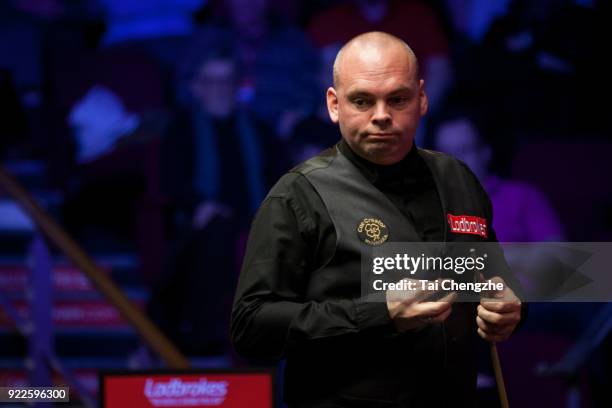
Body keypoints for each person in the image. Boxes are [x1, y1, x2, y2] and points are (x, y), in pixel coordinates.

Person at [231, 32, 524, 407]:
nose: (381, 115)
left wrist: (512, 308)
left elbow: (496, 280)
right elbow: (250, 326)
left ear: (421, 99)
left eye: (397, 99)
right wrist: (379, 312)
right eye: (362, 101)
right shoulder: (298, 195)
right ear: (335, 105)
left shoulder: (458, 179)